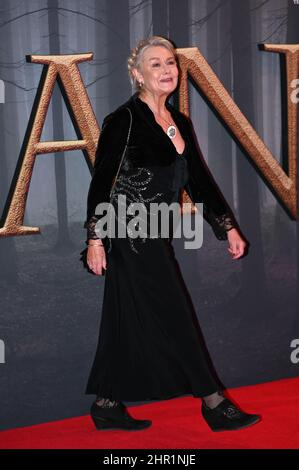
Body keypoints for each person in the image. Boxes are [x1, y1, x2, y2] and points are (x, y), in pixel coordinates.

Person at [82, 35, 261, 432]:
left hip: (154, 232)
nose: (166, 71)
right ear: (138, 76)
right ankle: (214, 403)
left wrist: (227, 227)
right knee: (176, 313)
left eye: (170, 63)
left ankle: (107, 404)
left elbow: (198, 180)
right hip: (127, 233)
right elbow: (101, 184)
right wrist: (95, 238)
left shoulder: (180, 122)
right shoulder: (123, 121)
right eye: (156, 64)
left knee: (124, 318)